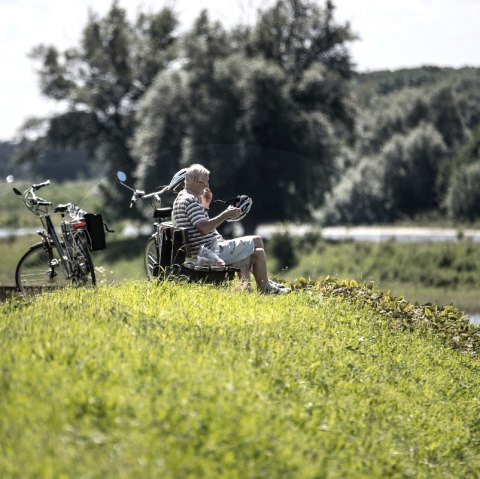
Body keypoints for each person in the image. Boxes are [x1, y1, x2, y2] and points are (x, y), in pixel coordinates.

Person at [172, 164, 290, 294]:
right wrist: (226, 214)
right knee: (258, 244)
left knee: (257, 251)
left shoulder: (182, 197)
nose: (207, 186)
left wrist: (205, 205)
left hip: (201, 250)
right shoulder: (191, 201)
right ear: (195, 181)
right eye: (205, 182)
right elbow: (203, 228)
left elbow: (197, 223)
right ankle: (266, 287)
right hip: (210, 253)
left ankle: (265, 282)